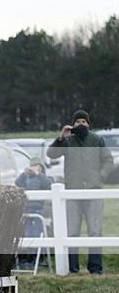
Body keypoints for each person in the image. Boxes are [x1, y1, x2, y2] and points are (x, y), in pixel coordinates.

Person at [46, 109, 114, 274]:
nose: (81, 124)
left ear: (88, 124)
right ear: (73, 124)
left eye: (84, 122)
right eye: (78, 122)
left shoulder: (97, 139)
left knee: (95, 231)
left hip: (94, 191)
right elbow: (51, 154)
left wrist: (100, 176)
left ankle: (96, 269)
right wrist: (61, 137)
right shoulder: (67, 141)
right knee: (72, 232)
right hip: (72, 192)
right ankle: (72, 269)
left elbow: (108, 160)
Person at [14, 157, 52, 264]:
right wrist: (24, 173)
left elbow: (48, 184)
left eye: (39, 166)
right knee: (28, 232)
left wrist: (38, 174)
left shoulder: (43, 178)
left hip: (38, 209)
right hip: (27, 208)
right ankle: (30, 254)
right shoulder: (26, 178)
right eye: (34, 166)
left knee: (39, 232)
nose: (37, 168)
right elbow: (17, 183)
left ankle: (40, 254)